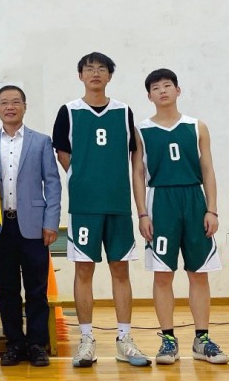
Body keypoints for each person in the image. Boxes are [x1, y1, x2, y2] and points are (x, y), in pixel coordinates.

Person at [52, 52, 151, 367]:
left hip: (118, 205)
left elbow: (135, 159)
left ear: (109, 75)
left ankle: (124, 339)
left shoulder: (123, 112)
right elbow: (63, 153)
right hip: (84, 207)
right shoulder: (69, 111)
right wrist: (82, 177)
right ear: (80, 75)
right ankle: (86, 339)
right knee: (84, 270)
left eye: (102, 69)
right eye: (89, 68)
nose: (95, 73)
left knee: (120, 270)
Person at [133, 68, 229, 365]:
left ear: (178, 90)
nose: (162, 91)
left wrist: (212, 209)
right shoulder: (140, 130)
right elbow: (137, 173)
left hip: (194, 200)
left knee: (198, 273)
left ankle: (202, 340)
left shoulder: (197, 126)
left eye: (167, 85)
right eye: (156, 87)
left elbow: (208, 169)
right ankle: (168, 340)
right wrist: (142, 213)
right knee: (163, 273)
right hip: (160, 201)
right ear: (149, 96)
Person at [0, 85, 61, 367]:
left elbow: (53, 183)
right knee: (6, 289)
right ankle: (14, 343)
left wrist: (51, 222)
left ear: (25, 106)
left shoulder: (41, 141)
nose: (10, 107)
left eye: (15, 102)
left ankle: (37, 344)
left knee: (37, 289)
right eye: (4, 103)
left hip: (34, 227)